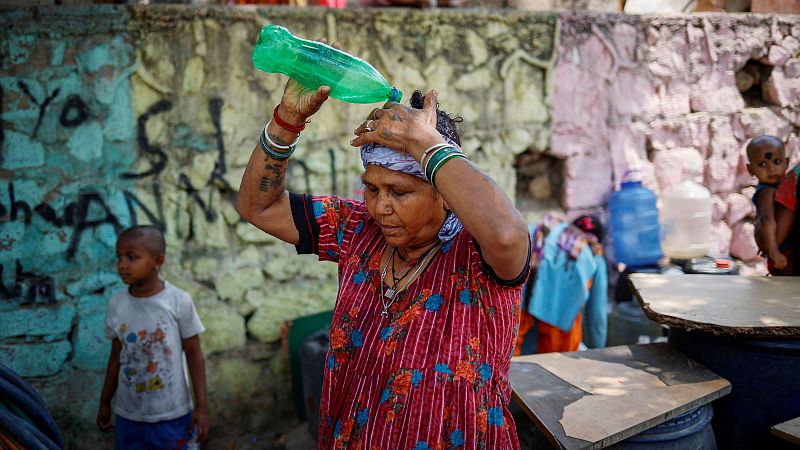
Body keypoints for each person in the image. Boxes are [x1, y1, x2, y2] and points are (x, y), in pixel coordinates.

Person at [236, 39, 530, 449]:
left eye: (400, 191)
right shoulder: (357, 230)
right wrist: (287, 120)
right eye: (371, 189)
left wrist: (425, 144)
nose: (380, 208)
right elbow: (258, 207)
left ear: (443, 193)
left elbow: (508, 235)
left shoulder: (477, 254)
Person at [97, 225, 208, 449]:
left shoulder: (178, 301)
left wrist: (202, 407)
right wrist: (105, 402)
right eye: (119, 257)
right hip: (129, 415)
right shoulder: (117, 305)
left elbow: (195, 356)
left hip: (173, 414)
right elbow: (115, 357)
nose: (122, 265)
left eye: (132, 257)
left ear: (158, 261)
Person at [514, 214, 607, 355]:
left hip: (520, 282)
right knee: (555, 362)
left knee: (512, 340)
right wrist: (599, 351)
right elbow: (597, 316)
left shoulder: (546, 231)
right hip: (557, 319)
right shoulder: (594, 255)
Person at [746, 135, 791, 274]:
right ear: (750, 169)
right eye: (762, 164)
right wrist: (774, 252)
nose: (771, 169)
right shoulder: (766, 192)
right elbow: (767, 219)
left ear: (786, 162)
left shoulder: (782, 185)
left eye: (777, 162)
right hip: (782, 251)